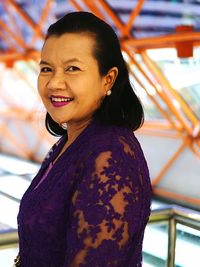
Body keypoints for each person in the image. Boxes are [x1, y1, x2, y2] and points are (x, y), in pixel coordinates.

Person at [16, 12, 152, 267]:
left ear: (107, 79)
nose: (55, 82)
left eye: (72, 69)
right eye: (46, 68)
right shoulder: (69, 143)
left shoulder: (111, 157)